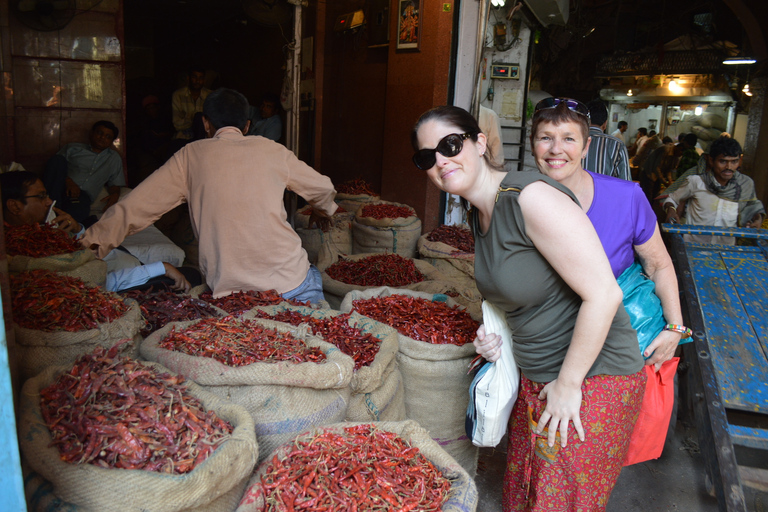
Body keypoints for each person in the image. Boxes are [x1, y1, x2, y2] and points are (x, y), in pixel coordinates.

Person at [411, 104, 645, 511]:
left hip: (591, 379)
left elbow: (604, 294)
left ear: (480, 142)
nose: (441, 160)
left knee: (559, 501)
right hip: (537, 377)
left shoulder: (530, 198)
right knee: (523, 493)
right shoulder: (477, 211)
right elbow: (520, 292)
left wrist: (570, 385)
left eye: (450, 145)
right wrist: (495, 335)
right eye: (426, 157)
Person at [81, 88, 337, 303]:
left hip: (233, 297)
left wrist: (84, 251)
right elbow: (323, 188)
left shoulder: (190, 157)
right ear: (247, 125)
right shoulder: (273, 150)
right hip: (293, 284)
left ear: (205, 122)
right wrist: (322, 209)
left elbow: (133, 209)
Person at [531, 98, 686, 369]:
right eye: (546, 138)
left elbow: (659, 265)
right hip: (548, 349)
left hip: (624, 349)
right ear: (533, 144)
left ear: (585, 146)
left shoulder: (626, 197)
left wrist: (675, 328)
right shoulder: (517, 204)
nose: (556, 150)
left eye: (569, 138)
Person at [1, 171, 191, 292]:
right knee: (190, 276)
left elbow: (89, 256)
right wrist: (160, 268)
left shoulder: (42, 232)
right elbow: (99, 282)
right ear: (14, 206)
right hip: (119, 279)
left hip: (121, 264)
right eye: (41, 196)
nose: (49, 202)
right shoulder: (23, 256)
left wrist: (77, 231)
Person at [662, 137, 765, 245]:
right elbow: (672, 199)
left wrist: (757, 219)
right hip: (694, 247)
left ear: (739, 161)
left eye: (734, 161)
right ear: (711, 160)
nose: (728, 167)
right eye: (723, 161)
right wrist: (671, 209)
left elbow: (753, 207)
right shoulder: (696, 182)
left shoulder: (745, 184)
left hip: (727, 249)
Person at [43, 120, 125, 224]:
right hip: (59, 189)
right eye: (100, 133)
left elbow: (115, 184)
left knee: (72, 222)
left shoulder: (114, 158)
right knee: (57, 159)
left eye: (108, 137)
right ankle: (50, 209)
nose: (103, 138)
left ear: (112, 141)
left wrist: (115, 194)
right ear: (92, 133)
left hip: (80, 197)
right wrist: (68, 181)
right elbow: (55, 167)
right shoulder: (73, 148)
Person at [581, 100, 630, 180]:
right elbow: (625, 182)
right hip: (605, 192)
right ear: (605, 124)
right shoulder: (617, 145)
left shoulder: (571, 141)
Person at [172, 66, 211, 141]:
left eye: (201, 78)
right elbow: (177, 124)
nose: (197, 81)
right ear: (188, 78)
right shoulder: (178, 95)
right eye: (194, 77)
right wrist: (195, 120)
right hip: (184, 137)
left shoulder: (210, 95)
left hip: (204, 139)